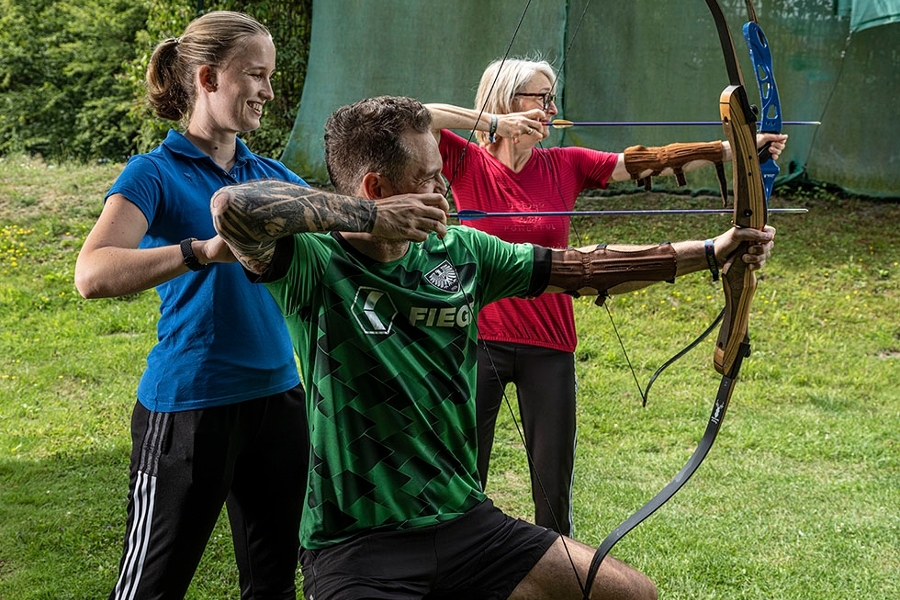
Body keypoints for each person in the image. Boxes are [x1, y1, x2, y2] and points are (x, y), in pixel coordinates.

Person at [210, 95, 776, 600]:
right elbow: (232, 209)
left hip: (464, 522)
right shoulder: (312, 264)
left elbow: (582, 269)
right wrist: (369, 220)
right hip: (357, 544)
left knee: (631, 593)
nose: (445, 190)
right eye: (429, 180)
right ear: (377, 190)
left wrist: (712, 251)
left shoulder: (462, 252)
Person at [424, 57, 788, 536]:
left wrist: (737, 149)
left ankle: (558, 572)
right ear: (507, 99)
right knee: (464, 476)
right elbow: (413, 115)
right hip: (477, 340)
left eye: (553, 98)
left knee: (552, 488)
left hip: (550, 343)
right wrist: (492, 124)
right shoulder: (463, 158)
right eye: (541, 97)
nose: (552, 108)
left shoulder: (565, 164)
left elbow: (644, 161)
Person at [74, 11, 308, 600]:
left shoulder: (270, 175)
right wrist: (201, 251)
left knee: (274, 584)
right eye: (255, 75)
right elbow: (92, 271)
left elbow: (345, 237)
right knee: (152, 586)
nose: (268, 91)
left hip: (280, 400)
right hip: (190, 407)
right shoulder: (153, 172)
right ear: (207, 78)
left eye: (270, 76)